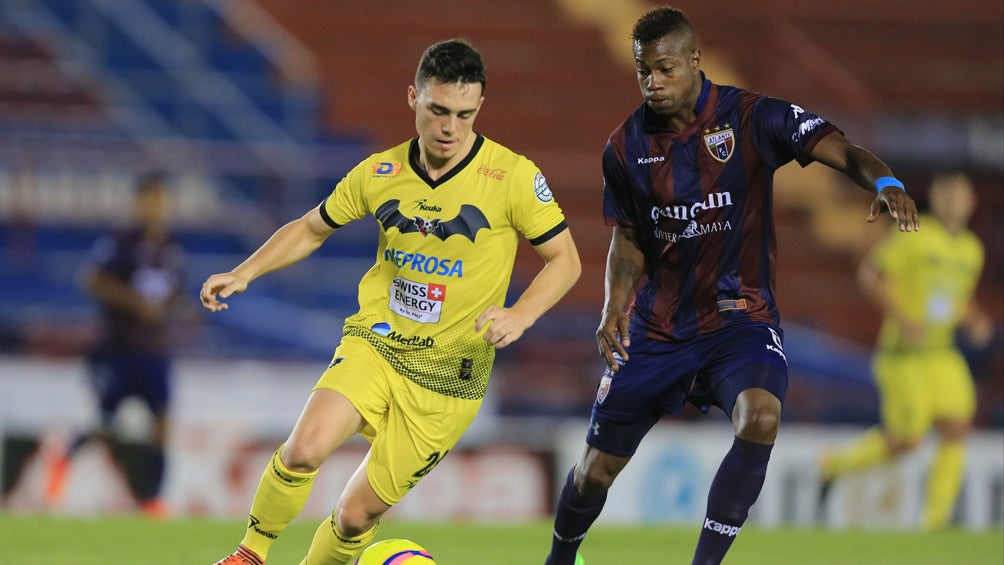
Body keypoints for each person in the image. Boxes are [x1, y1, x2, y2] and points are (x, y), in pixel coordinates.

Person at [544, 7, 919, 565]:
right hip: (659, 327)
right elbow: (629, 236)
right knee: (595, 471)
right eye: (644, 71)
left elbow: (838, 147)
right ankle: (559, 558)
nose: (653, 82)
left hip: (739, 318)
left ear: (695, 60)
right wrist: (613, 305)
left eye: (665, 69)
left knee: (761, 415)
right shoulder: (624, 146)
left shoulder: (752, 117)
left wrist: (885, 180)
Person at [204, 38, 581, 565]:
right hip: (377, 343)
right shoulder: (380, 172)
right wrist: (244, 271)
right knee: (304, 449)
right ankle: (250, 553)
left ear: (479, 108)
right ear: (413, 98)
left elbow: (565, 259)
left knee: (355, 516)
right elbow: (312, 227)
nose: (450, 128)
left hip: (449, 378)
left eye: (465, 115)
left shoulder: (512, 176)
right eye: (439, 110)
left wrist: (522, 313)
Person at [817, 172, 992, 530]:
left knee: (957, 426)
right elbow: (871, 275)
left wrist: (975, 320)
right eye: (947, 193)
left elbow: (956, 297)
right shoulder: (915, 235)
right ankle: (835, 464)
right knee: (907, 441)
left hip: (941, 352)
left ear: (971, 201)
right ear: (936, 197)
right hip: (903, 355)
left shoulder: (972, 250)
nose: (953, 200)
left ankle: (935, 522)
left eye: (959, 193)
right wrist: (906, 320)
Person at [45, 174, 191, 517]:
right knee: (104, 426)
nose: (157, 207)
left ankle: (152, 498)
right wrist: (135, 304)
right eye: (151, 199)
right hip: (119, 349)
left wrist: (182, 309)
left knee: (162, 423)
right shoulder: (122, 242)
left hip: (155, 351)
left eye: (161, 200)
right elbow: (92, 279)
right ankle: (64, 460)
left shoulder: (171, 246)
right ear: (139, 202)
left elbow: (172, 292)